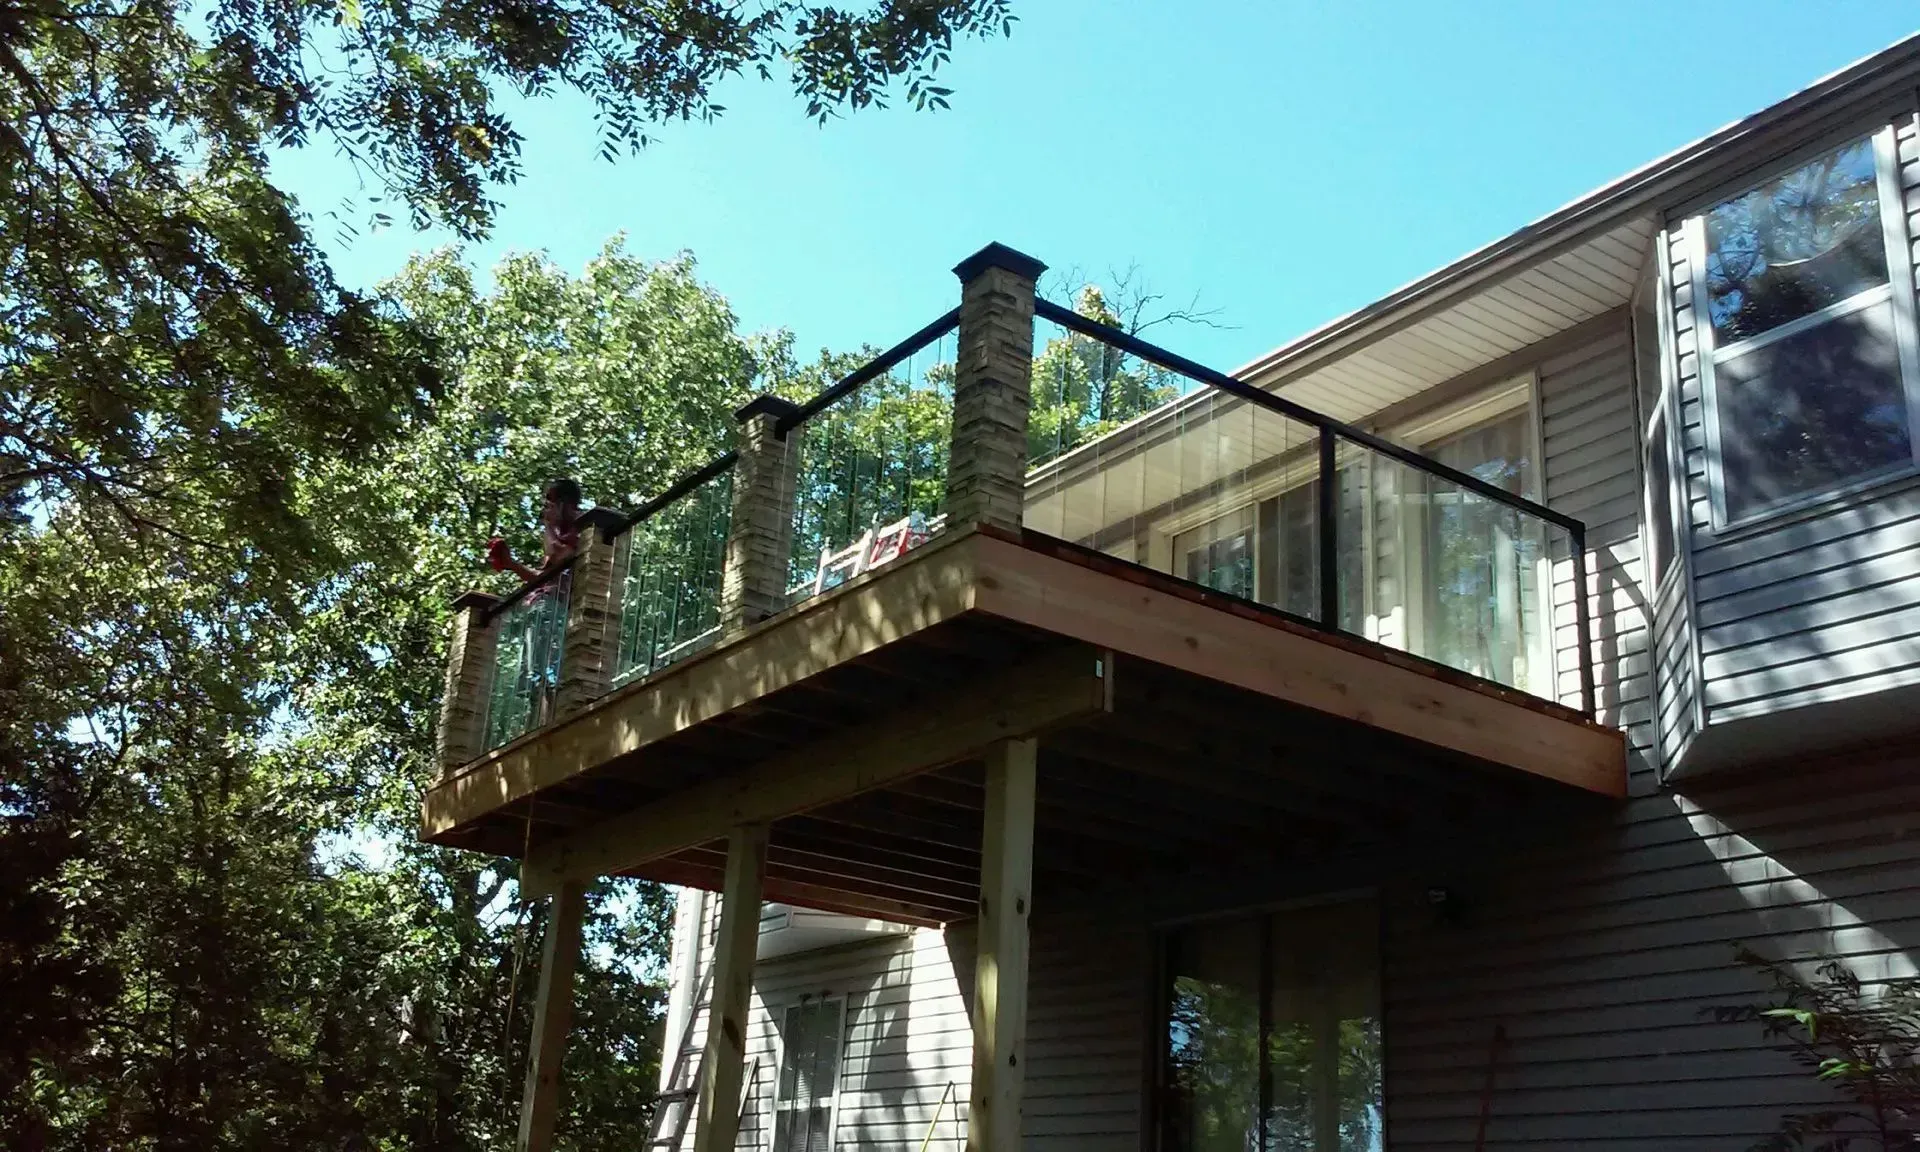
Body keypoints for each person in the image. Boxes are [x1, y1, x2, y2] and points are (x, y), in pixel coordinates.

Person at [489, 477, 583, 583]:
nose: (545, 510)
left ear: (563, 504)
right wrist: (510, 563)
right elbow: (542, 578)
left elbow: (558, 553)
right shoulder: (559, 534)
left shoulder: (582, 527)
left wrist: (549, 525)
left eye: (550, 503)